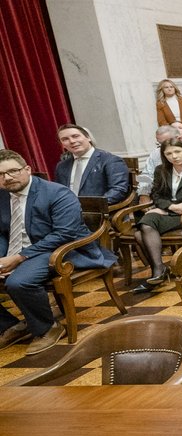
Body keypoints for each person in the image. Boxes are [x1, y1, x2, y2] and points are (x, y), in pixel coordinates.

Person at [0, 150, 119, 354]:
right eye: (1, 175)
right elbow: (2, 232)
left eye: (13, 171)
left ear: (27, 169)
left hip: (58, 249)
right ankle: (10, 325)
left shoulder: (56, 193)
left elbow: (65, 233)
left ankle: (48, 328)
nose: (7, 178)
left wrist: (20, 257)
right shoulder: (2, 196)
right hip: (18, 249)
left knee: (19, 282)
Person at [130, 139, 182, 294]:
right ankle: (159, 269)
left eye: (177, 151)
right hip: (170, 211)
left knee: (141, 232)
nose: (174, 156)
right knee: (144, 225)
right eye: (169, 153)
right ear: (164, 156)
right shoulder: (161, 170)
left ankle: (158, 271)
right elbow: (157, 196)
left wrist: (169, 210)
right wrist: (170, 207)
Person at [53, 124, 130, 205]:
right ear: (62, 144)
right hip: (68, 211)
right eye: (65, 139)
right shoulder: (62, 166)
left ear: (88, 137)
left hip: (100, 212)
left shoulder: (110, 160)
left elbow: (118, 190)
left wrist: (90, 206)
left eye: (75, 136)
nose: (72, 141)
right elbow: (59, 192)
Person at [137, 126, 182, 197]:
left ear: (178, 138)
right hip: (160, 195)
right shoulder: (155, 154)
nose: (162, 147)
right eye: (159, 143)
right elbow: (146, 175)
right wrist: (144, 194)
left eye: (165, 142)